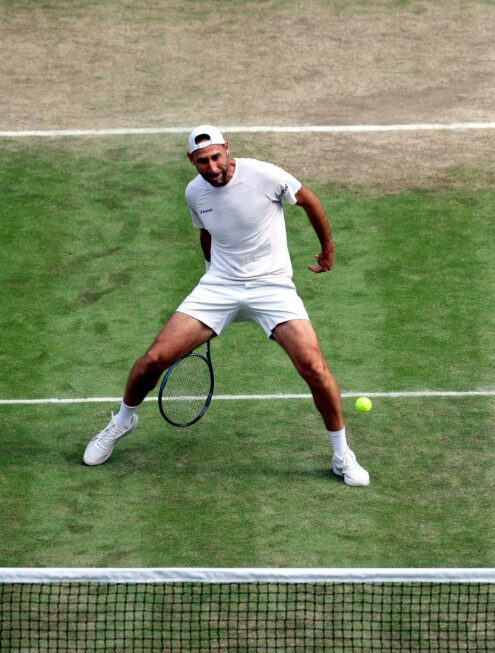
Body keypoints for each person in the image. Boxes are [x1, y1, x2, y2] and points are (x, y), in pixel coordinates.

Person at [83, 125, 370, 485]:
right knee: (155, 359)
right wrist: (209, 277)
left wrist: (328, 251)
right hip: (219, 287)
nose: (212, 166)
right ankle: (122, 422)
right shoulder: (194, 192)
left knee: (313, 367)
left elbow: (309, 201)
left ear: (227, 150)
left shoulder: (264, 175)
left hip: (272, 286)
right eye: (202, 160)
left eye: (216, 156)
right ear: (192, 161)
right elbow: (208, 231)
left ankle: (342, 454)